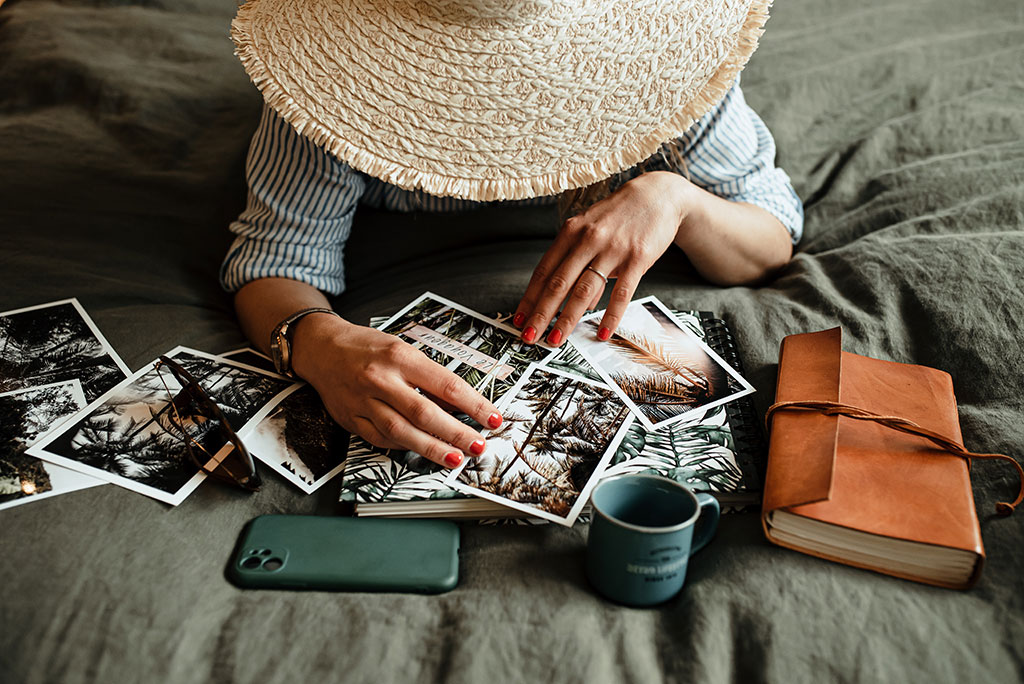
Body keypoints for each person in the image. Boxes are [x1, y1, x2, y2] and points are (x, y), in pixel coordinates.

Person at [221, 0, 803, 471]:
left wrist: (678, 199)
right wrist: (317, 343)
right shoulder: (330, 84)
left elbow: (770, 236)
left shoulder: (675, 66)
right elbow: (274, 259)